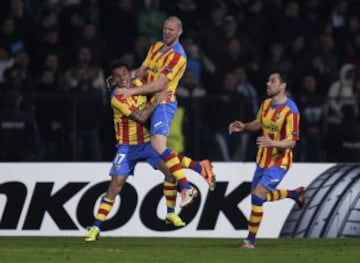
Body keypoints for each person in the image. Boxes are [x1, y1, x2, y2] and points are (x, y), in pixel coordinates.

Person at [85, 61, 213, 242]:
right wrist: (157, 100)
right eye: (118, 76)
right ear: (114, 80)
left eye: (124, 74)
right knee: (115, 186)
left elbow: (151, 74)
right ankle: (95, 228)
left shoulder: (137, 84)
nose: (123, 79)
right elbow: (141, 116)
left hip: (146, 142)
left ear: (130, 74)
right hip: (127, 147)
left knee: (170, 172)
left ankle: (170, 213)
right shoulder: (118, 97)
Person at [116, 16, 215, 204]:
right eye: (165, 28)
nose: (167, 32)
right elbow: (142, 71)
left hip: (164, 103)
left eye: (171, 29)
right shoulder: (156, 47)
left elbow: (160, 84)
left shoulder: (177, 55)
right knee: (158, 148)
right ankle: (200, 167)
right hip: (151, 103)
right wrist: (123, 79)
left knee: (159, 146)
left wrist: (130, 91)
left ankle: (186, 188)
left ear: (179, 32)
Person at [228, 72, 305, 249]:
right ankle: (295, 194)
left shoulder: (291, 110)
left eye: (273, 81)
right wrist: (245, 126)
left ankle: (250, 242)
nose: (268, 83)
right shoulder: (265, 104)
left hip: (280, 161)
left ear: (283, 85)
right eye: (268, 80)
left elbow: (292, 142)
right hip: (262, 159)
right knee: (258, 197)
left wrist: (273, 143)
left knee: (258, 195)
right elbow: (259, 123)